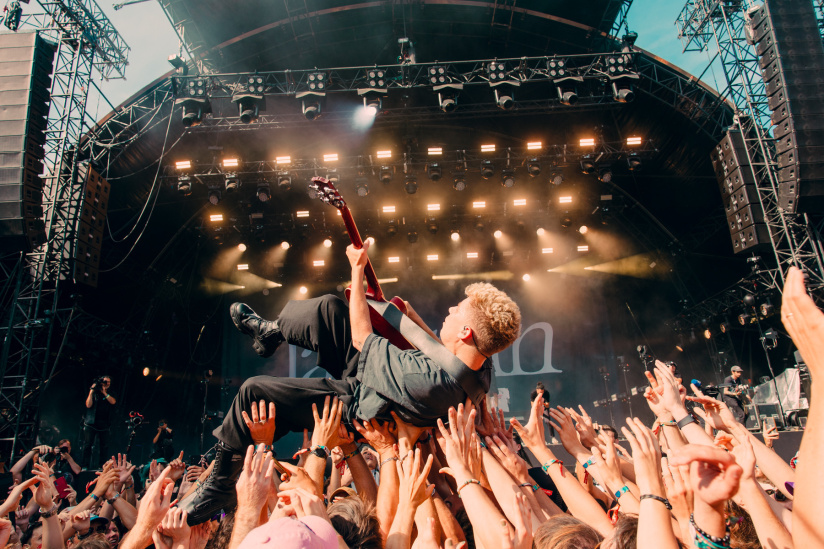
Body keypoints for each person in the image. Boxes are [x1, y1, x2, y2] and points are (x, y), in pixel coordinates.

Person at [179, 241, 522, 525]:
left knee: (254, 392)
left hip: (362, 408)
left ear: (466, 332)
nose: (450, 310)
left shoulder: (428, 382)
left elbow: (361, 339)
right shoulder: (480, 366)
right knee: (330, 310)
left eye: (457, 310)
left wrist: (357, 272)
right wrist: (410, 319)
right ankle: (271, 332)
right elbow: (444, 354)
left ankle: (219, 485)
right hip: (386, 387)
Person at [82, 375, 116, 468]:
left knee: (104, 446)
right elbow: (88, 405)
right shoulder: (94, 392)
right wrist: (91, 391)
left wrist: (104, 393)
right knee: (88, 445)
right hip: (91, 422)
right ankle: (85, 465)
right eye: (105, 381)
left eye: (108, 382)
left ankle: (102, 465)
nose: (107, 383)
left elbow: (113, 402)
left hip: (104, 423)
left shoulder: (111, 392)